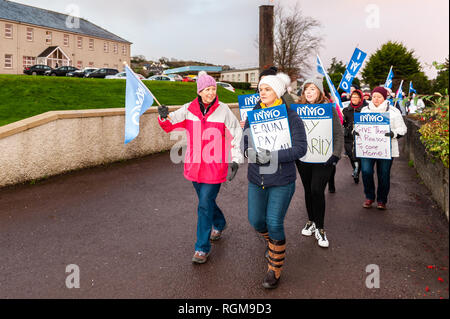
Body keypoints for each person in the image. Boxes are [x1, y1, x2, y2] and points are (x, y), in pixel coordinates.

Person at [157, 71, 243, 264]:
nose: (211, 93)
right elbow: (170, 124)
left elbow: (236, 134)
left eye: (213, 89)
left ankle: (201, 248)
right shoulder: (188, 109)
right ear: (199, 91)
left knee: (204, 203)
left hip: (215, 165)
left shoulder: (224, 110)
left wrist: (236, 159)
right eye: (207, 89)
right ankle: (219, 222)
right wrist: (163, 117)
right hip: (194, 165)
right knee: (206, 202)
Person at [243, 72, 307, 289]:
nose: (262, 92)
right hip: (256, 177)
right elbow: (244, 143)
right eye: (260, 89)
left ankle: (275, 269)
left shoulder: (291, 117)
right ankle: (272, 243)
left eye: (267, 88)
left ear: (277, 92)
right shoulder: (253, 115)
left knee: (274, 221)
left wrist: (272, 156)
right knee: (256, 221)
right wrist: (251, 153)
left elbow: (300, 148)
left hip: (282, 179)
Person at [296, 77, 344, 248]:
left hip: (323, 158)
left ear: (320, 92)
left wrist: (336, 155)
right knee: (308, 190)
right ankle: (311, 221)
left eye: (312, 89)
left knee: (317, 190)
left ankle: (321, 228)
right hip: (303, 159)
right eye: (306, 89)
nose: (309, 92)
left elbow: (339, 133)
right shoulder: (298, 109)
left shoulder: (329, 109)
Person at [357, 86, 407, 210]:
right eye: (374, 96)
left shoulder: (394, 112)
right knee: (367, 172)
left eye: (379, 97)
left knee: (383, 175)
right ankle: (369, 197)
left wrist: (393, 133)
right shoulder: (364, 110)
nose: (376, 99)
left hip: (386, 149)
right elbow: (359, 126)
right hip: (368, 148)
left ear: (384, 97)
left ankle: (381, 200)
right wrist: (355, 131)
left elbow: (403, 129)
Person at [342, 89, 368, 184]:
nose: (353, 99)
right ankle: (355, 168)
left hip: (360, 136)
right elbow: (343, 123)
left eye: (356, 97)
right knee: (350, 154)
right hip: (348, 136)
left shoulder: (365, 110)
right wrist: (343, 119)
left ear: (360, 98)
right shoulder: (346, 109)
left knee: (358, 155)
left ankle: (357, 171)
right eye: (352, 97)